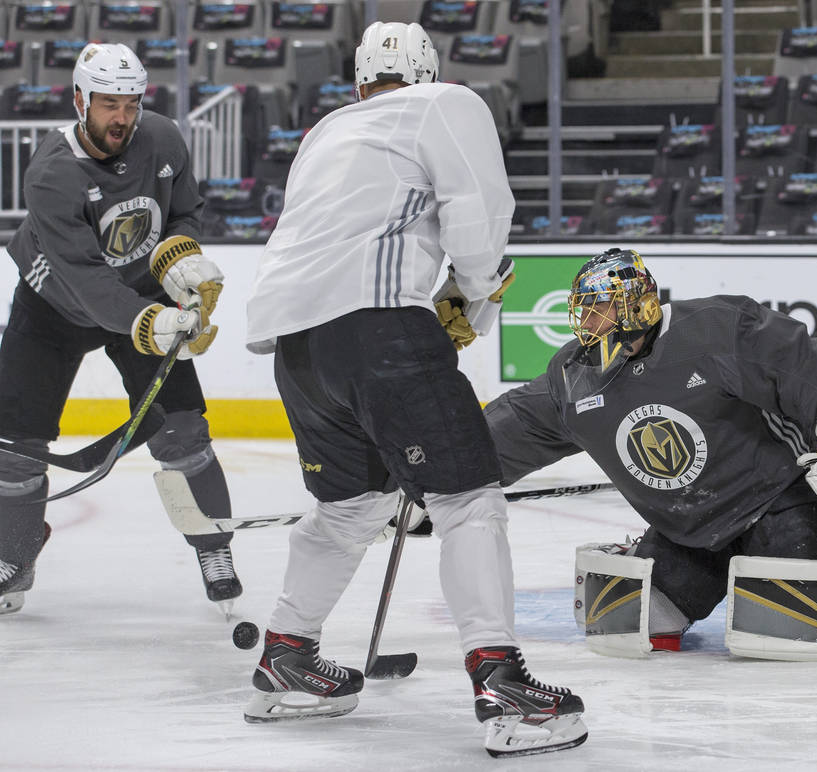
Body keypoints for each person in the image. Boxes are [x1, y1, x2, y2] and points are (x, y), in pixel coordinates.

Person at [240, 20, 586, 758]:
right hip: (380, 331)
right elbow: (479, 211)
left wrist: (435, 306)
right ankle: (501, 682)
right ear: (427, 71)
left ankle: (287, 657)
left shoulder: (326, 132)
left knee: (352, 506)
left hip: (298, 349)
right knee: (469, 499)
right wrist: (474, 294)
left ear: (361, 81)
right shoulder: (446, 104)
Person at [484, 247, 817, 649]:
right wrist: (448, 474)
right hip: (687, 533)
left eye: (601, 306)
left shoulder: (715, 329)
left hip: (782, 505)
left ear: (639, 305)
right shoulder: (574, 377)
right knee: (630, 623)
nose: (590, 321)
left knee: (792, 626)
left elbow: (799, 363)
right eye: (585, 309)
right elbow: (518, 424)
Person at [0, 43, 242, 617]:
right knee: (14, 445)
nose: (123, 118)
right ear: (80, 99)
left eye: (131, 104)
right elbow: (83, 277)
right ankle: (14, 556)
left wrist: (179, 259)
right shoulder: (51, 173)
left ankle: (215, 548)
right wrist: (148, 322)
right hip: (53, 304)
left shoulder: (163, 138)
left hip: (139, 294)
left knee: (184, 430)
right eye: (109, 104)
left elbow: (184, 211)